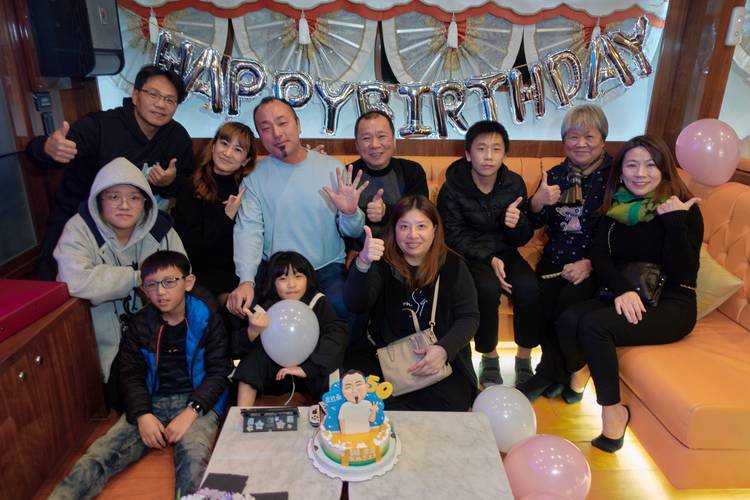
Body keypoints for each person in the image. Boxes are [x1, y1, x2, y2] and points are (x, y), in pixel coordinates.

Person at [556, 135, 703, 452]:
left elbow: (685, 274)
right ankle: (580, 370)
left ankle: (613, 413)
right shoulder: (617, 207)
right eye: (632, 165)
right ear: (620, 172)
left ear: (664, 170)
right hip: (627, 292)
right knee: (568, 317)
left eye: (650, 165)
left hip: (672, 304)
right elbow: (600, 255)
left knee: (594, 326)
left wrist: (675, 223)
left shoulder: (682, 209)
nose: (641, 173)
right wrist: (623, 291)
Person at [49, 250, 231, 499]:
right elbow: (130, 375)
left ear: (188, 282)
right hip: (151, 401)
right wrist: (142, 414)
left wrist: (192, 411)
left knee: (194, 460)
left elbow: (219, 372)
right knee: (98, 456)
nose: (161, 292)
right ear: (144, 290)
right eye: (152, 285)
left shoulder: (208, 318)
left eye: (169, 282)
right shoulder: (140, 323)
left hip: (197, 400)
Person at [28, 64, 194, 280]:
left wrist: (169, 183)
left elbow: (186, 184)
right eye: (153, 94)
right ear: (135, 95)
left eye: (170, 100)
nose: (161, 104)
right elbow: (49, 152)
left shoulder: (178, 137)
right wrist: (47, 148)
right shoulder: (100, 125)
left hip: (135, 227)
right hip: (80, 218)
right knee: (55, 283)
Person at [228, 97, 366, 321]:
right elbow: (248, 231)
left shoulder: (333, 168)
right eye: (266, 128)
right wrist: (246, 280)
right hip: (277, 271)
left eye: (282, 123)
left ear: (298, 125)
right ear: (260, 136)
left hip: (326, 267)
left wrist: (350, 213)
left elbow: (352, 231)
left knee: (346, 308)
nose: (277, 133)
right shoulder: (254, 176)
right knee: (250, 311)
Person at [54, 157, 186, 387]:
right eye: (114, 197)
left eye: (134, 197)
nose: (124, 205)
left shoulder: (161, 229)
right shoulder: (80, 229)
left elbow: (182, 275)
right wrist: (138, 278)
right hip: (103, 349)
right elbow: (73, 280)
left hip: (160, 341)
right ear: (99, 200)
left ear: (145, 202)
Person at [345, 195, 480, 411]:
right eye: (404, 227)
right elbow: (356, 304)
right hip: (385, 355)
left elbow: (469, 317)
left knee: (453, 406)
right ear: (394, 230)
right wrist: (362, 263)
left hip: (437, 354)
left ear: (435, 229)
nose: (413, 235)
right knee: (363, 399)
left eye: (421, 226)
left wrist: (444, 349)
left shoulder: (453, 265)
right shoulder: (380, 262)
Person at [518, 104, 613, 402]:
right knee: (541, 305)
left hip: (595, 263)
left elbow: (618, 231)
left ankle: (547, 375)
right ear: (564, 141)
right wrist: (538, 201)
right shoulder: (555, 175)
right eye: (573, 136)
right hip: (555, 258)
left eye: (589, 136)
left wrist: (590, 263)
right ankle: (558, 374)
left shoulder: (616, 176)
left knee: (566, 310)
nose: (581, 143)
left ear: (603, 140)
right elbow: (533, 223)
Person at [436, 120, 538, 387]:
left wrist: (517, 223)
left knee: (529, 286)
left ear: (505, 154)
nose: (488, 156)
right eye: (481, 149)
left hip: (505, 250)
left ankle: (524, 358)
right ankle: (489, 357)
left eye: (496, 149)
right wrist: (488, 259)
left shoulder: (514, 183)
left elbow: (522, 237)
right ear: (468, 154)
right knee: (486, 288)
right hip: (468, 254)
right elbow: (452, 235)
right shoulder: (452, 187)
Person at [234, 251, 348, 406]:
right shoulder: (265, 308)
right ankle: (241, 413)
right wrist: (252, 331)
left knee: (332, 364)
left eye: (298, 276)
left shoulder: (318, 302)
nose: (291, 284)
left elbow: (338, 334)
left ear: (308, 279)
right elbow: (235, 349)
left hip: (311, 368)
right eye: (282, 278)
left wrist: (307, 368)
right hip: (277, 375)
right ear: (273, 282)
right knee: (252, 360)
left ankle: (335, 412)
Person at [173, 122, 256, 304]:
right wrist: (226, 218)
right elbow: (189, 244)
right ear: (213, 146)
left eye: (238, 149)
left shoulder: (247, 189)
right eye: (224, 144)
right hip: (197, 276)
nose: (227, 153)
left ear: (246, 160)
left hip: (236, 277)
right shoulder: (190, 186)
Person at [350, 110, 429, 240]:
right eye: (366, 138)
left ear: (394, 141)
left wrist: (385, 212)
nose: (375, 145)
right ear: (357, 145)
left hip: (403, 247)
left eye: (381, 136)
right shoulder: (347, 173)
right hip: (359, 249)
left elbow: (420, 215)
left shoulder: (411, 171)